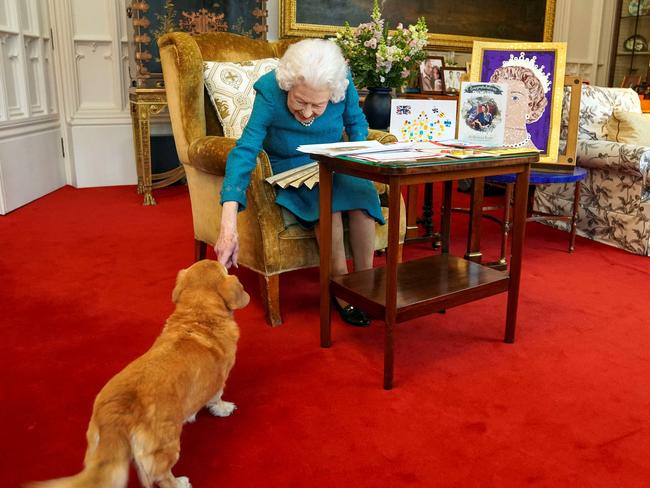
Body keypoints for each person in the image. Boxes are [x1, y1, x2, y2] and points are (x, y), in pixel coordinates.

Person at [216, 39, 384, 327]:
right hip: (289, 164)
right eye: (299, 102)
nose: (307, 113)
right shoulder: (270, 89)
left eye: (317, 105)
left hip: (334, 160)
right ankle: (341, 289)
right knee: (327, 206)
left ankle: (364, 284)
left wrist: (358, 160)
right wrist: (228, 220)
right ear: (288, 86)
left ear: (332, 93)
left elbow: (356, 125)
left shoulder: (341, 83)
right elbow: (245, 149)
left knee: (362, 200)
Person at [490, 65, 547, 149]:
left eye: (514, 98)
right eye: (499, 96)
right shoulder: (481, 145)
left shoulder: (530, 152)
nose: (504, 104)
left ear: (531, 106)